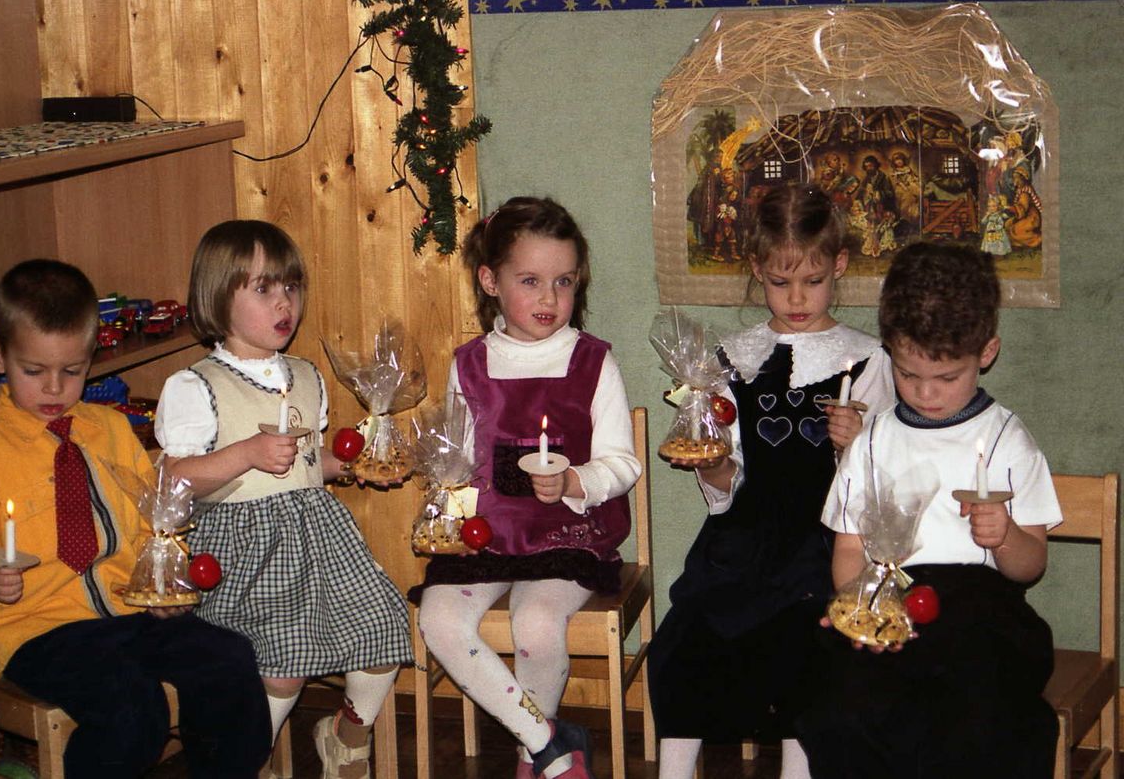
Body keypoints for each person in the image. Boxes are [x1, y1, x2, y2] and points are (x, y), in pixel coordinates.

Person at [0, 260, 272, 778]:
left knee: (229, 660)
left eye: (72, 371)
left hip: (127, 611)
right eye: (34, 371)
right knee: (131, 703)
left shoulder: (109, 430)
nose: (54, 388)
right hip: (37, 630)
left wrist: (164, 580)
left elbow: (149, 519)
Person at [649, 184, 895, 779]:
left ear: (839, 266)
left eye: (813, 280)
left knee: (803, 652)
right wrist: (710, 463)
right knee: (684, 642)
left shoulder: (867, 360)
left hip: (824, 543)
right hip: (742, 541)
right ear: (758, 271)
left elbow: (884, 482)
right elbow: (728, 479)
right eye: (781, 283)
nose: (797, 297)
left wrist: (854, 445)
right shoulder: (733, 358)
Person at [154, 221, 410, 779]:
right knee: (283, 664)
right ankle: (249, 759)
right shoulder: (197, 385)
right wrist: (245, 453)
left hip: (318, 538)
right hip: (245, 548)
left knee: (384, 628)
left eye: (291, 287)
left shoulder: (306, 375)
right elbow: (174, 478)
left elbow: (307, 461)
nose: (283, 302)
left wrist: (349, 465)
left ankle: (347, 736)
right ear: (218, 297)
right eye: (263, 288)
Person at [798, 242, 1060, 777]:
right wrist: (861, 610)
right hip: (891, 599)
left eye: (946, 378)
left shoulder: (1007, 440)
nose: (925, 393)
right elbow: (849, 550)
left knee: (972, 716)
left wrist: (1005, 536)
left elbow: (1031, 565)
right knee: (838, 706)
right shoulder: (873, 441)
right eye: (907, 373)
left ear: (987, 352)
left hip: (981, 611)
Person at [413, 197, 640, 779]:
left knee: (536, 623)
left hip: (566, 535)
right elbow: (459, 458)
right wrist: (442, 487)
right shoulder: (468, 364)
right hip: (486, 537)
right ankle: (546, 744)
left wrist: (573, 480)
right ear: (490, 281)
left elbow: (622, 464)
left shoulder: (593, 362)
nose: (549, 298)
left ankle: (529, 760)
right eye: (531, 281)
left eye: (563, 281)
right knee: (439, 619)